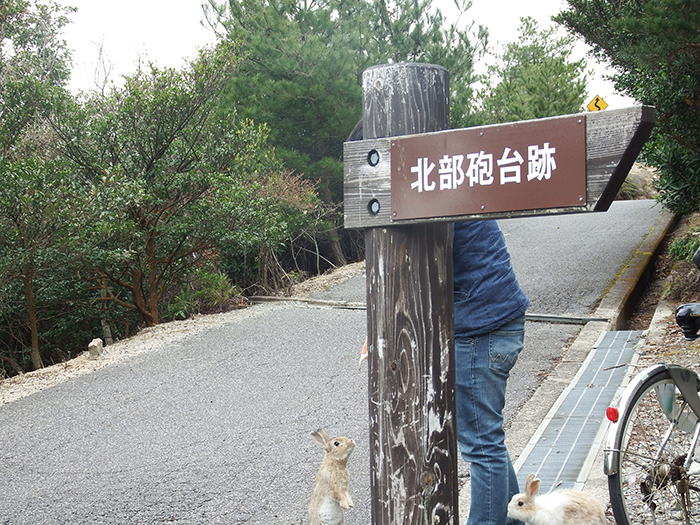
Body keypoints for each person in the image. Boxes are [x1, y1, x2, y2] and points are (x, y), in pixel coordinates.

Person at [453, 219, 529, 525]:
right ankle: (514, 520)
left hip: (481, 328)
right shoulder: (460, 194)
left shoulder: (436, 197)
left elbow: (421, 260)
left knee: (482, 446)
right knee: (487, 440)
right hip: (497, 319)